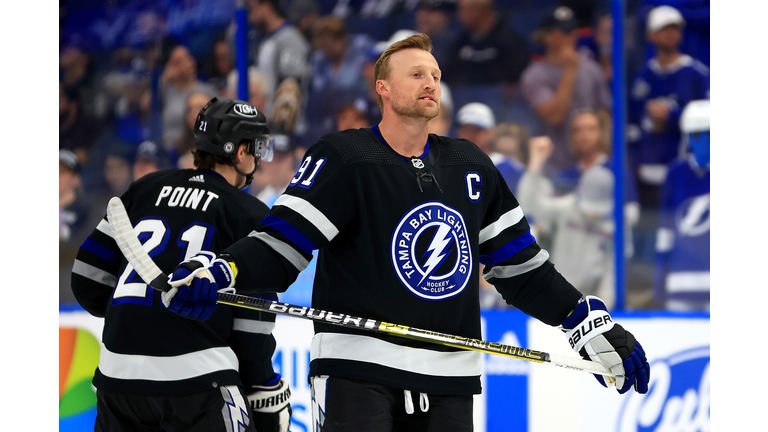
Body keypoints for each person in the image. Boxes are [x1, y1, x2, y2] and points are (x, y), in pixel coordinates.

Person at [163, 34, 649, 431]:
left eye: (435, 75)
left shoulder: (469, 165)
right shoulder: (344, 156)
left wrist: (583, 320)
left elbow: (520, 267)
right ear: (383, 89)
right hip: (358, 369)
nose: (430, 82)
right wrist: (223, 269)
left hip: (451, 376)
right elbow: (282, 243)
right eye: (416, 73)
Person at [70, 97, 292, 432]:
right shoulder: (248, 211)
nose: (259, 159)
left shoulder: (143, 189)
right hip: (198, 383)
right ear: (241, 152)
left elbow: (86, 280)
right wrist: (263, 386)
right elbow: (252, 326)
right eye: (257, 148)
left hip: (118, 379)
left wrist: (137, 316)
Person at [517, 136, 633, 309]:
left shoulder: (618, 223)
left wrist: (604, 305)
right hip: (554, 293)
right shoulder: (567, 207)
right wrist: (536, 164)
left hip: (592, 301)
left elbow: (614, 269)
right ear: (579, 193)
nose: (593, 214)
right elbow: (529, 206)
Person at [627, 4, 709, 208]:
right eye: (664, 29)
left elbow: (709, 122)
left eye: (675, 28)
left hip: (684, 171)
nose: (670, 34)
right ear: (650, 35)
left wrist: (671, 116)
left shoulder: (696, 74)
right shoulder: (642, 76)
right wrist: (634, 161)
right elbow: (632, 123)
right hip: (645, 174)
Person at [520, 5, 612, 175]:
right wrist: (570, 71)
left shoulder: (591, 68)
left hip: (593, 165)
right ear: (547, 37)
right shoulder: (534, 75)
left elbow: (605, 116)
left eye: (573, 30)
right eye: (565, 32)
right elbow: (555, 116)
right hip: (555, 167)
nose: (573, 36)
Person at [654, 99, 710, 311]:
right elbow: (665, 230)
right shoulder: (676, 172)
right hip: (680, 281)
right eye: (696, 134)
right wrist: (660, 280)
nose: (704, 141)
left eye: (710, 133)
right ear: (687, 137)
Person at [442, 0, 530, 94]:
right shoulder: (460, 42)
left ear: (481, 10)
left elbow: (516, 79)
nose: (459, 16)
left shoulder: (509, 41)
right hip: (464, 99)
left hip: (500, 103)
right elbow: (449, 74)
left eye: (464, 10)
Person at [455, 102, 525, 194]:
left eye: (477, 130)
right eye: (465, 129)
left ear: (492, 132)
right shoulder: (446, 165)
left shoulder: (509, 168)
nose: (470, 134)